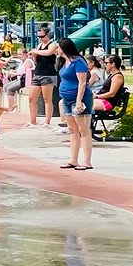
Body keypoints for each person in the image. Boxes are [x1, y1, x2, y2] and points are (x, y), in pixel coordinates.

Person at [56, 38, 94, 171]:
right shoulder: (63, 62)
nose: (56, 49)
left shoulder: (78, 61)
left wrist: (79, 100)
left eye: (58, 47)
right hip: (66, 98)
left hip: (78, 98)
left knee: (83, 130)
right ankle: (73, 159)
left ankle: (87, 161)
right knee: (72, 130)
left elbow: (82, 82)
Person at [27, 25, 59, 129]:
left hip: (48, 74)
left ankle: (47, 121)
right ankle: (32, 121)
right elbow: (37, 60)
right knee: (32, 98)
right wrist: (34, 55)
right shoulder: (39, 46)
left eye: (42, 36)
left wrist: (35, 51)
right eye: (38, 37)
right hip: (38, 73)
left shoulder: (52, 45)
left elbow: (48, 53)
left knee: (47, 98)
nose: (40, 39)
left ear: (47, 35)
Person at [6, 48, 34, 112]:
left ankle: (11, 106)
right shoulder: (21, 62)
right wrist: (14, 71)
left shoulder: (28, 61)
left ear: (25, 54)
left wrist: (16, 74)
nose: (19, 56)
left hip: (25, 80)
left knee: (9, 89)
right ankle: (12, 103)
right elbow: (20, 70)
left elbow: (27, 73)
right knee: (5, 86)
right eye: (18, 54)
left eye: (20, 54)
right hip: (19, 79)